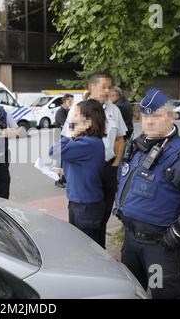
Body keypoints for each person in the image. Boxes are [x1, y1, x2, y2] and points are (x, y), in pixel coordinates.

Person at [114, 88, 180, 299]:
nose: (148, 122)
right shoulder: (138, 146)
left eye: (155, 115)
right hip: (131, 242)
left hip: (159, 248)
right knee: (131, 291)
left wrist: (177, 231)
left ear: (172, 117)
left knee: (162, 294)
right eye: (144, 116)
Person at [62, 72, 128, 249]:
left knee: (103, 214)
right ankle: (87, 252)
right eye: (103, 87)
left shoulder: (114, 110)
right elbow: (67, 138)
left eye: (109, 87)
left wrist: (115, 165)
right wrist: (62, 168)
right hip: (84, 169)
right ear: (92, 87)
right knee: (83, 215)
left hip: (107, 168)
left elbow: (120, 140)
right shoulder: (77, 110)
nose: (107, 91)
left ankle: (100, 251)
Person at [50, 99, 106, 245]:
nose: (72, 118)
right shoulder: (87, 141)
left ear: (88, 119)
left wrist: (70, 134)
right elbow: (86, 168)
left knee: (86, 249)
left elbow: (54, 152)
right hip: (80, 203)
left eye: (76, 115)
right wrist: (64, 171)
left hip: (86, 206)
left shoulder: (87, 143)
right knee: (81, 245)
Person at [54, 93, 73, 188]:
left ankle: (64, 177)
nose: (71, 103)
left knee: (65, 159)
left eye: (72, 101)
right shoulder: (60, 112)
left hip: (67, 138)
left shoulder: (69, 111)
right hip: (60, 139)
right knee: (60, 160)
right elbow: (65, 125)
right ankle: (57, 180)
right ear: (65, 101)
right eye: (70, 101)